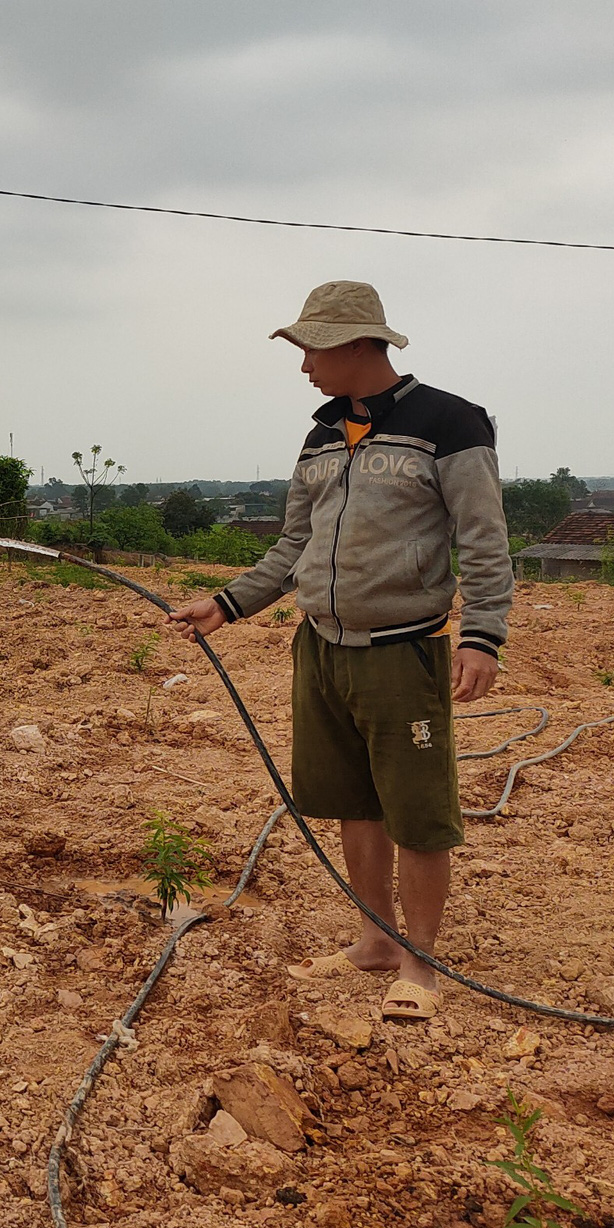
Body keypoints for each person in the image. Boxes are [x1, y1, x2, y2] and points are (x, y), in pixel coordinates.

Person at [167, 280, 511, 1021]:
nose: (304, 368)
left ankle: (420, 962)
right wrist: (226, 604)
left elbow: (484, 538)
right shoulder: (322, 435)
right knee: (354, 803)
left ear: (361, 344)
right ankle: (374, 941)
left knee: (415, 813)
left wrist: (482, 636)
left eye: (313, 350)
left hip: (402, 653)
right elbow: (295, 543)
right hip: (320, 648)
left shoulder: (449, 423)